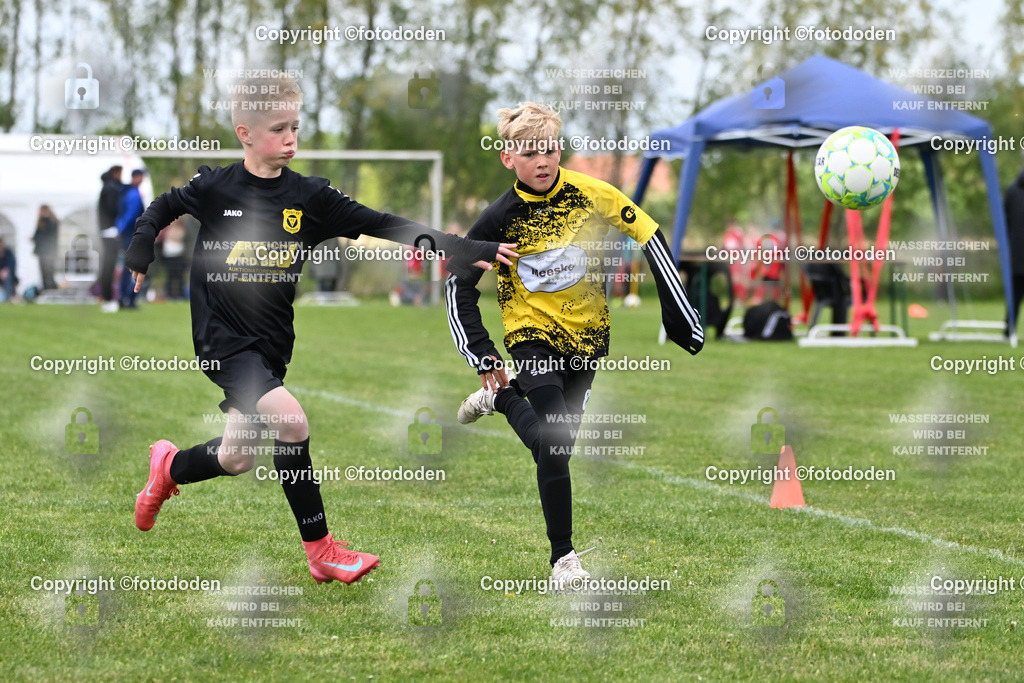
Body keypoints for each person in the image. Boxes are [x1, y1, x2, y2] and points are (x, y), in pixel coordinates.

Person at [125, 74, 516, 585]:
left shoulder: (311, 197)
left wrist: (467, 249)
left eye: (296, 127)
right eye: (278, 129)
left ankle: (168, 468)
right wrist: (141, 244)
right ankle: (321, 551)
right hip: (222, 341)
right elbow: (164, 206)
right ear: (245, 133)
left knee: (236, 456)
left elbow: (387, 224)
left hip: (270, 347)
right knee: (291, 423)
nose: (290, 139)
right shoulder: (217, 187)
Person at [446, 103, 703, 587]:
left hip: (586, 342)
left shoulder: (592, 194)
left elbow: (649, 233)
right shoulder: (498, 218)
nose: (542, 160)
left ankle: (501, 398)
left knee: (554, 447)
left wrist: (679, 310)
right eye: (529, 152)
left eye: (549, 149)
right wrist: (480, 351)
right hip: (530, 338)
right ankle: (563, 560)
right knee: (556, 442)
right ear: (508, 158)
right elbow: (456, 282)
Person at [118, 169, 147, 309]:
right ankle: (129, 298)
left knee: (127, 267)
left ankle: (123, 297)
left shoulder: (126, 192)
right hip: (132, 236)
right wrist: (121, 229)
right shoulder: (134, 194)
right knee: (133, 267)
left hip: (127, 236)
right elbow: (130, 216)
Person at [97, 165, 123, 312]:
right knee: (109, 266)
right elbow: (113, 209)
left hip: (106, 230)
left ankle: (106, 297)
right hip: (110, 231)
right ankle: (107, 298)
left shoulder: (107, 187)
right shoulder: (111, 189)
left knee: (108, 266)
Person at [1004, 162, 1024, 335]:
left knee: (1014, 296)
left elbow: (1004, 222)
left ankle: (1008, 331)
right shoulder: (1012, 191)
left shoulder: (1012, 190)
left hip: (1016, 255)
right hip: (1017, 254)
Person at [32, 205, 59, 291]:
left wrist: (46, 218)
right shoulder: (40, 223)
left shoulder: (52, 222)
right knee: (43, 272)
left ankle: (51, 289)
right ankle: (46, 289)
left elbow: (50, 235)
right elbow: (37, 235)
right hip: (41, 252)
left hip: (49, 252)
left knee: (49, 272)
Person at [160, 218, 187, 300]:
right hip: (169, 254)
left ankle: (180, 294)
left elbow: (180, 236)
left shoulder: (181, 227)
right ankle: (169, 294)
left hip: (178, 253)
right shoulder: (167, 227)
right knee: (170, 275)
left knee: (179, 275)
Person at [0, 236, 17, 301]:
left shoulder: (8, 252)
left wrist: (6, 270)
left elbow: (12, 264)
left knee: (8, 277)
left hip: (8, 274)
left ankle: (8, 297)